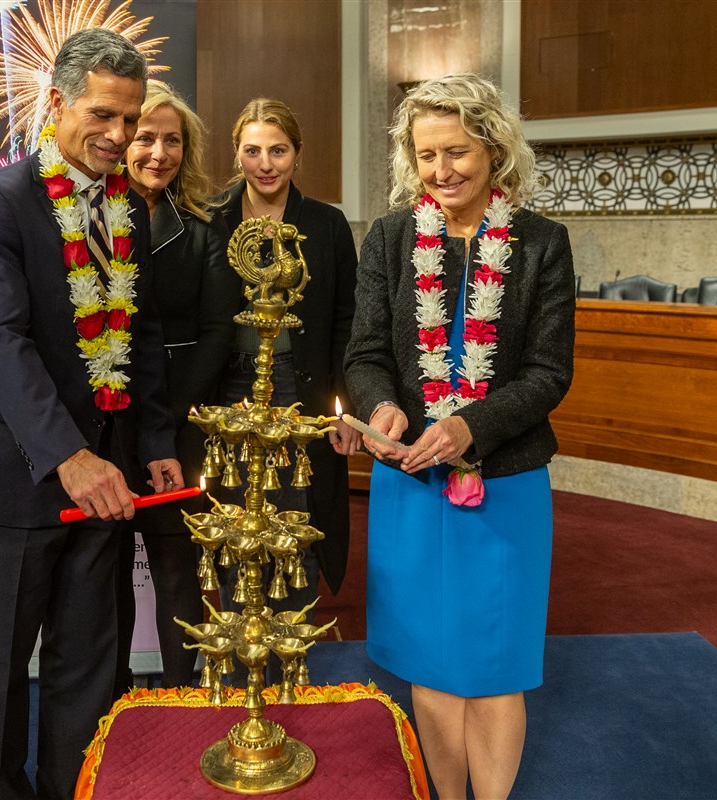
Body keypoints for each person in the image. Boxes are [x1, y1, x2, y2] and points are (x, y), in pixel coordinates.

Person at [0, 29, 181, 800]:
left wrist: (154, 442)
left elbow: (139, 339)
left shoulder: (129, 214)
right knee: (2, 673)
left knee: (89, 666)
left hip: (107, 482)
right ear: (55, 104)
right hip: (19, 482)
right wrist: (68, 457)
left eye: (132, 118)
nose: (120, 136)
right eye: (104, 115)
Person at [344, 73, 575, 800]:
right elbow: (366, 354)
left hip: (504, 484)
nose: (440, 171)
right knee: (433, 664)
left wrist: (469, 425)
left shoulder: (541, 244)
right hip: (412, 484)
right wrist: (382, 410)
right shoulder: (389, 237)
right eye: (426, 155)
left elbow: (547, 373)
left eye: (457, 152)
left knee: (495, 666)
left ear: (495, 149)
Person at [116, 80, 242, 688]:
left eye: (172, 140)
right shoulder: (82, 217)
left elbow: (219, 332)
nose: (158, 153)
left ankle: (175, 689)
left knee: (177, 565)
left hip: (183, 419)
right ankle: (108, 696)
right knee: (101, 569)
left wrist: (166, 414)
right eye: (146, 137)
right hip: (106, 417)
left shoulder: (201, 227)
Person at [213, 98, 359, 619]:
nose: (266, 164)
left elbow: (347, 321)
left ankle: (292, 650)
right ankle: (239, 642)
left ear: (298, 154)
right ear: (237, 154)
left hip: (304, 388)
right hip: (229, 390)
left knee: (296, 516)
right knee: (234, 519)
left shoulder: (326, 225)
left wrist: (346, 412)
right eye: (252, 151)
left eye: (278, 150)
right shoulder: (212, 218)